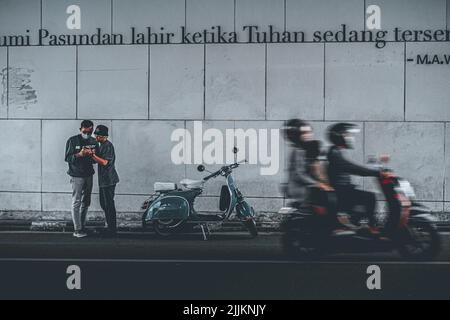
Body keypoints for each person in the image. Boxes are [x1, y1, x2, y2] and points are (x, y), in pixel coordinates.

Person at [283, 119, 351, 236]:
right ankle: (335, 225)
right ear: (296, 135)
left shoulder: (305, 150)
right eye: (304, 133)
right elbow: (300, 174)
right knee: (330, 196)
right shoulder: (298, 151)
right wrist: (318, 184)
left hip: (304, 185)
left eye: (309, 132)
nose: (309, 135)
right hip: (300, 188)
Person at [327, 123, 387, 236]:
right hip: (342, 191)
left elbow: (350, 167)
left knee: (366, 197)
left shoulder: (336, 151)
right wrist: (376, 173)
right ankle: (370, 226)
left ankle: (357, 223)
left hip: (343, 189)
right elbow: (351, 167)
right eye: (348, 135)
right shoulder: (334, 153)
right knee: (370, 197)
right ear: (340, 137)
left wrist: (376, 169)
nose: (351, 138)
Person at [65, 120, 99, 238]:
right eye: (85, 131)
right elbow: (67, 158)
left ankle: (82, 225)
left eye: (90, 132)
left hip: (89, 174)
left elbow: (97, 159)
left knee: (86, 201)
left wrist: (92, 155)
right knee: (76, 201)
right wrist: (79, 154)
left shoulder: (93, 141)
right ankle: (77, 229)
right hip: (76, 175)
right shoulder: (72, 140)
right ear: (80, 129)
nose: (87, 134)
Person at [91, 125, 120, 236]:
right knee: (104, 204)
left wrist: (93, 155)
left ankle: (112, 229)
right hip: (103, 180)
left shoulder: (108, 146)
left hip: (109, 180)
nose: (96, 137)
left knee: (109, 204)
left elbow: (104, 162)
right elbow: (96, 160)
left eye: (97, 136)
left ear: (103, 136)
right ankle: (109, 226)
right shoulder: (101, 145)